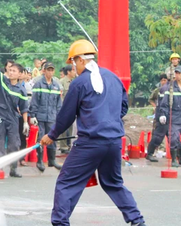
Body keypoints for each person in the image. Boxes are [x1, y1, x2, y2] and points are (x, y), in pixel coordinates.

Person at [40, 39, 145, 226]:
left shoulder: (79, 83)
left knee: (66, 183)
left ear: (80, 60)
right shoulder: (113, 78)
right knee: (113, 183)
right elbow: (123, 107)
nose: (73, 68)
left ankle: (60, 223)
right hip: (113, 143)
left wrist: (51, 135)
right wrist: (109, 120)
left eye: (73, 63)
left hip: (90, 143)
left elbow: (66, 116)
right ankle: (137, 220)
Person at [0, 46, 29, 177]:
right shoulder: (2, 81)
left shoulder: (21, 90)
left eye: (14, 71)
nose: (11, 72)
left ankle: (13, 168)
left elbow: (24, 108)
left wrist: (26, 122)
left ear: (20, 74)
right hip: (0, 114)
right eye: (9, 70)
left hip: (13, 118)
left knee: (14, 143)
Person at [29, 62, 62, 172]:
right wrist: (32, 115)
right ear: (44, 71)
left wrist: (59, 116)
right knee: (41, 139)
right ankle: (40, 161)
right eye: (48, 70)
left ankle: (52, 160)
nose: (50, 72)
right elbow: (34, 101)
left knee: (52, 138)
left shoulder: (56, 86)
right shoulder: (38, 84)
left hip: (52, 117)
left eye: (52, 70)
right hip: (40, 117)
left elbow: (59, 103)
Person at [159, 66, 181, 167]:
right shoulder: (171, 88)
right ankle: (174, 160)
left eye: (179, 73)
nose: (178, 75)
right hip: (175, 116)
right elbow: (164, 103)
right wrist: (163, 114)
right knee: (173, 139)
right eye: (176, 73)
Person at [146, 74, 169, 162]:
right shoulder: (160, 90)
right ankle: (150, 153)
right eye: (162, 80)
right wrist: (156, 107)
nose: (164, 82)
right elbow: (155, 101)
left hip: (172, 116)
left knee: (173, 138)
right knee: (158, 136)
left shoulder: (175, 89)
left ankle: (176, 157)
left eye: (165, 80)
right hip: (161, 115)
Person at [58, 64, 77, 154]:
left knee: (71, 128)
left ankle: (69, 145)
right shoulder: (61, 82)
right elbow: (60, 96)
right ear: (68, 72)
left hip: (72, 109)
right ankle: (63, 146)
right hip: (64, 108)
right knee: (63, 129)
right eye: (73, 70)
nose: (74, 72)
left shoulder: (74, 82)